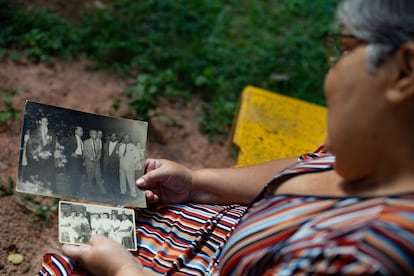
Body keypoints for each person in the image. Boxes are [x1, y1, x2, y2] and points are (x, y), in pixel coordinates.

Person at [41, 0, 414, 275]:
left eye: (345, 50)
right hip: (213, 232)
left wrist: (125, 271)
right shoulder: (383, 153)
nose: (330, 72)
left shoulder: (358, 258)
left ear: (404, 70)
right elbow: (303, 169)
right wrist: (195, 183)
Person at [26, 116, 56, 193]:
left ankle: (48, 189)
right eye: (43, 121)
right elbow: (31, 145)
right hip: (39, 157)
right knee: (39, 174)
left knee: (48, 175)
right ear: (40, 122)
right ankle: (39, 189)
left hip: (49, 157)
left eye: (46, 121)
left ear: (48, 123)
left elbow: (53, 144)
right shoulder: (35, 132)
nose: (44, 123)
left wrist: (49, 153)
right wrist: (37, 154)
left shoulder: (51, 132)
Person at [83, 129, 106, 195]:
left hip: (97, 162)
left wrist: (98, 158)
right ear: (90, 134)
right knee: (90, 177)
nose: (95, 135)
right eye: (94, 134)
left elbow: (99, 152)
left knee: (98, 176)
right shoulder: (86, 142)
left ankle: (103, 191)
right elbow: (85, 152)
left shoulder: (97, 142)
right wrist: (91, 158)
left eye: (96, 134)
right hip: (89, 162)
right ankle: (91, 191)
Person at [64, 126, 85, 197]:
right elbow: (66, 148)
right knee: (74, 176)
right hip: (73, 160)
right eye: (80, 131)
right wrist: (71, 153)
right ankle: (73, 192)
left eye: (82, 131)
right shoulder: (71, 138)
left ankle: (77, 190)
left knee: (79, 176)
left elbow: (81, 150)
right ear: (76, 131)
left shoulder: (81, 140)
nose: (82, 132)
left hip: (80, 159)